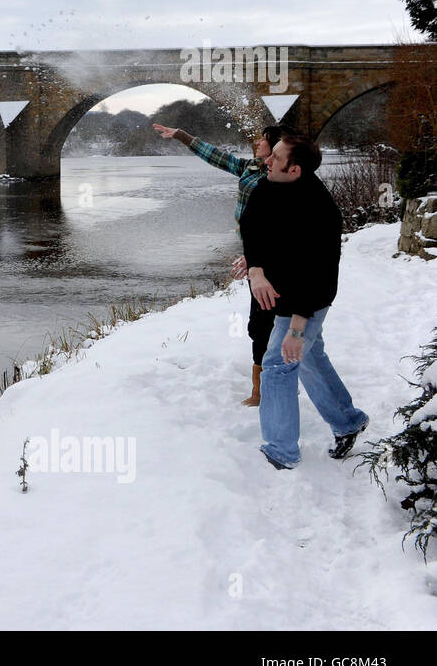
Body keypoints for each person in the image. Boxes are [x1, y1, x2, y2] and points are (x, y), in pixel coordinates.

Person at [238, 134, 369, 470]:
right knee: (309, 357)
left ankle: (280, 452)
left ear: (294, 170)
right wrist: (255, 268)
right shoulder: (268, 186)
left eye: (276, 157)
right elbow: (252, 225)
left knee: (279, 364)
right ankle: (348, 421)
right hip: (280, 288)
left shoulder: (320, 210)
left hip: (308, 297)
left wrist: (298, 325)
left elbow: (319, 274)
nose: (267, 160)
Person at [152, 121, 280, 406]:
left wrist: (256, 253)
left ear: (277, 147)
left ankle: (265, 390)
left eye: (264, 140)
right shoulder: (252, 168)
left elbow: (281, 223)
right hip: (254, 252)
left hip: (268, 254)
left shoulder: (279, 179)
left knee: (264, 321)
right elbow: (219, 157)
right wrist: (182, 134)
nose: (258, 143)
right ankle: (270, 382)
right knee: (259, 323)